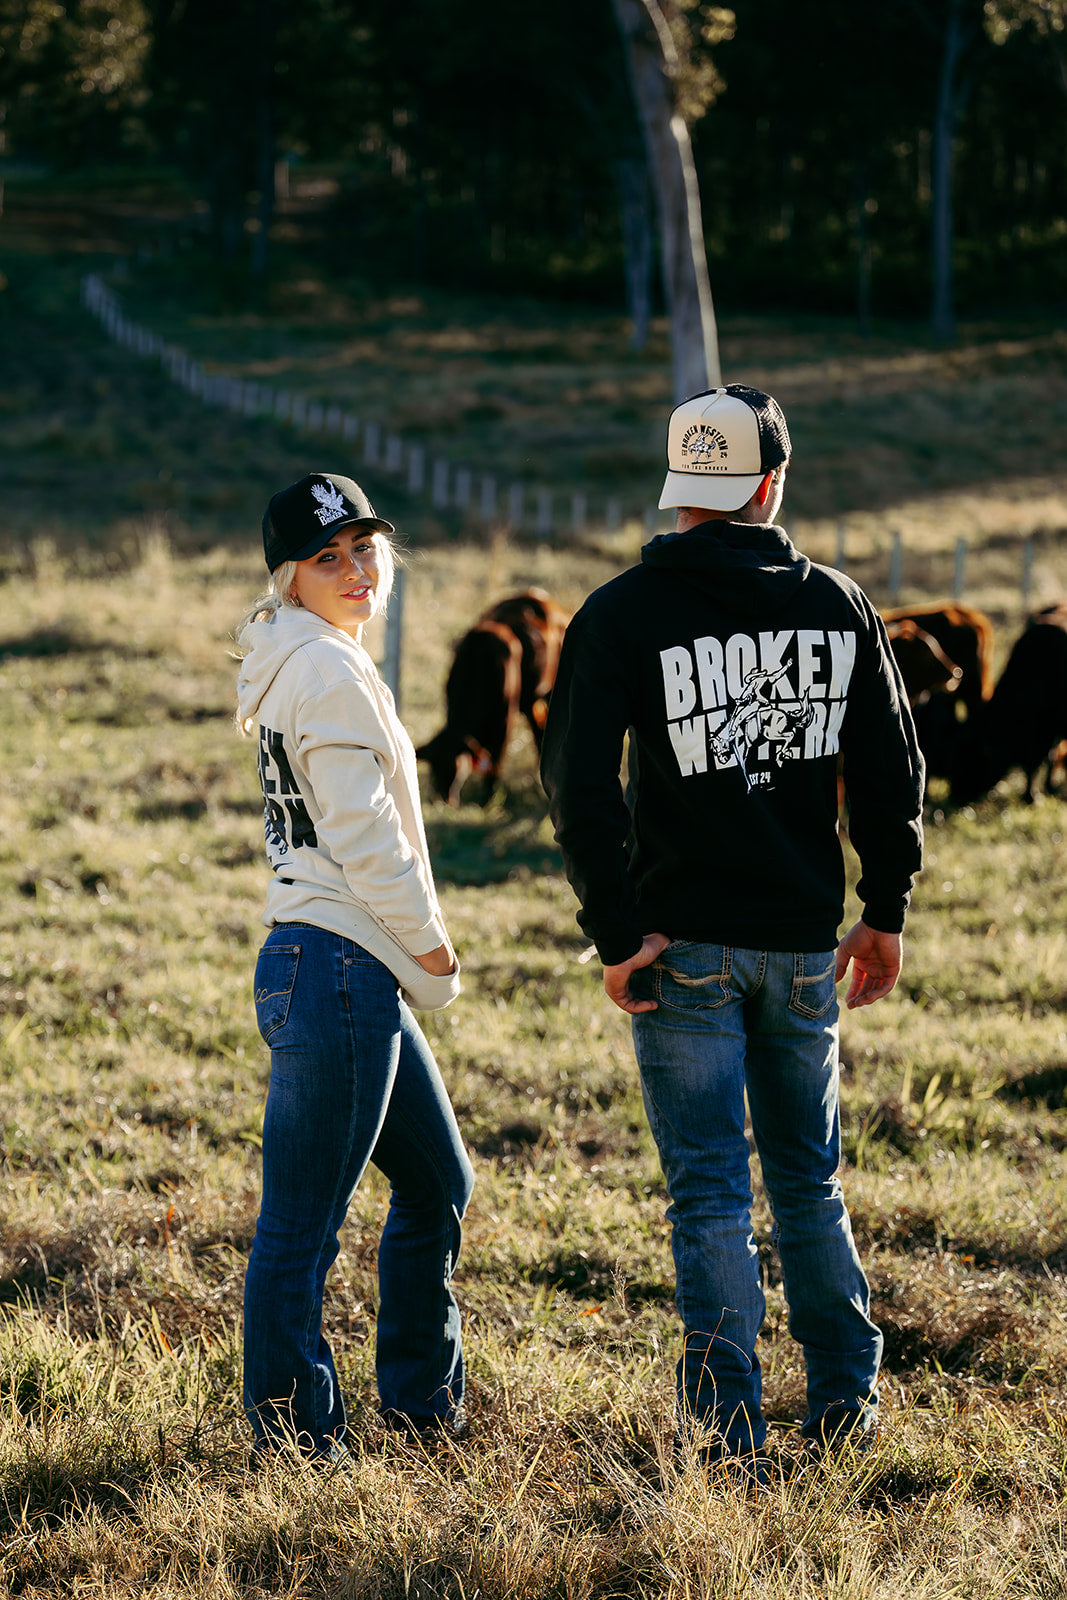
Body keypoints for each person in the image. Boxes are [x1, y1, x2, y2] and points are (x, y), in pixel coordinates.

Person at [540, 386, 924, 1474]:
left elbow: (577, 786)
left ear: (681, 491)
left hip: (681, 952)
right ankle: (846, 1402)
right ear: (769, 483)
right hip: (805, 945)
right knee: (808, 1180)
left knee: (707, 1188)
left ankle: (726, 1435)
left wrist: (615, 932)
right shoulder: (839, 603)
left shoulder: (617, 613)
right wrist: (882, 909)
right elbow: (891, 771)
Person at [235, 471, 473, 1463]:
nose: (355, 569)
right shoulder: (324, 670)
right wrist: (430, 942)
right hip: (341, 963)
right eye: (328, 556)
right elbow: (362, 832)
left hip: (327, 960)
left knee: (437, 1181)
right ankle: (295, 1438)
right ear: (291, 576)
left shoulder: (306, 655)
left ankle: (420, 1403)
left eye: (365, 547)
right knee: (303, 1223)